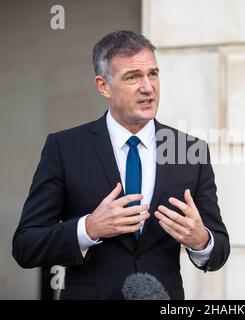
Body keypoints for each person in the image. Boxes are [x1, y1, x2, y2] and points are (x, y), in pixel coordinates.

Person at [12, 30, 230, 300]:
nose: (148, 87)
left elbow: (219, 249)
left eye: (153, 74)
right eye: (132, 77)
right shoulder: (65, 148)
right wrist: (89, 228)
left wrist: (201, 241)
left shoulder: (190, 150)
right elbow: (25, 245)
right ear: (103, 86)